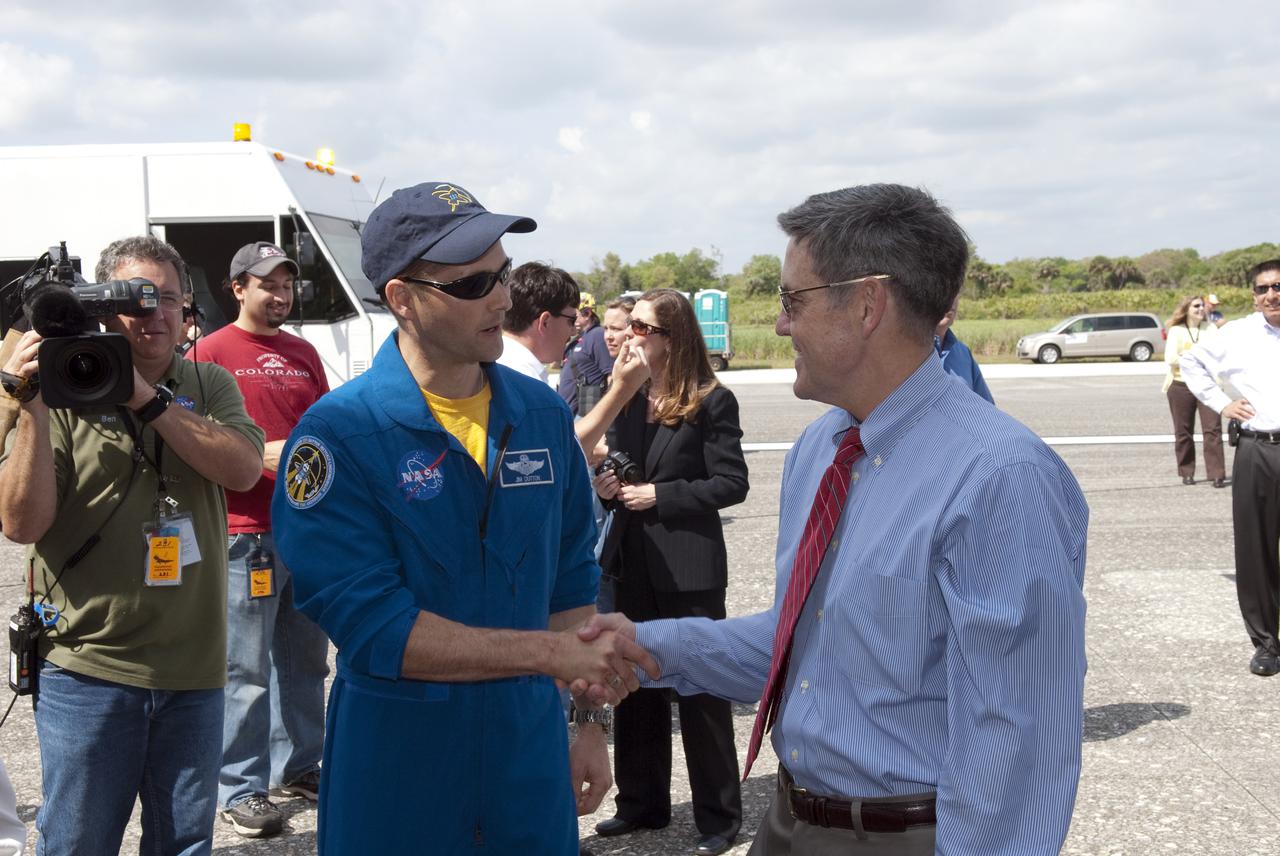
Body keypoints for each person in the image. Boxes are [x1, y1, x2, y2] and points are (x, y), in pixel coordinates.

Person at [578, 184, 1089, 855]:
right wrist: (650, 646)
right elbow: (806, 649)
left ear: (869, 304)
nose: (782, 324)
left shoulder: (998, 477)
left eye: (793, 299)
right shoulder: (820, 450)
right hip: (794, 824)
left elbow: (1017, 740)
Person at [268, 181, 658, 855]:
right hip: (398, 770)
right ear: (402, 299)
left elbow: (569, 583)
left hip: (527, 758)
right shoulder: (339, 435)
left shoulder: (540, 417)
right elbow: (376, 627)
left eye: (502, 274)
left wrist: (585, 719)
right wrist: (549, 654)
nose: (503, 298)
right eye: (473, 283)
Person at [0, 235, 265, 855]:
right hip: (89, 671)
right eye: (137, 300)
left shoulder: (210, 381)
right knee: (77, 842)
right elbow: (21, 524)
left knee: (184, 844)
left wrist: (145, 399)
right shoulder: (58, 390)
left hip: (193, 670)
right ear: (102, 309)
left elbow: (243, 468)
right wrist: (33, 405)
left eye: (168, 299)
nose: (156, 315)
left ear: (187, 308)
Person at [591, 288, 748, 856]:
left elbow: (732, 483)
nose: (626, 334)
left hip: (689, 566)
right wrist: (608, 490)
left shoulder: (712, 399)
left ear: (671, 336)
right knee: (634, 689)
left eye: (639, 326)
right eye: (628, 324)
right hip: (635, 564)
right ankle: (641, 805)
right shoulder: (627, 397)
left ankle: (719, 818)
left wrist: (663, 494)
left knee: (702, 694)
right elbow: (614, 474)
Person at [188, 241, 332, 837]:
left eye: (287, 285)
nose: (280, 295)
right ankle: (241, 787)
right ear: (237, 288)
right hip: (244, 532)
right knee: (243, 668)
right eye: (267, 284)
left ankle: (299, 765)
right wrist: (250, 452)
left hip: (306, 529)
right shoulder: (209, 353)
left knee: (304, 661)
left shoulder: (303, 352)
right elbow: (187, 434)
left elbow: (326, 426)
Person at [1181, 260, 1280, 677]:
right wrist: (1223, 404)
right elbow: (1191, 364)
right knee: (1256, 549)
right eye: (1262, 289)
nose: (1270, 295)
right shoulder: (1237, 334)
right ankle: (1267, 643)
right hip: (1259, 449)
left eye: (1277, 286)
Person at [1162, 295, 1224, 488]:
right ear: (1186, 309)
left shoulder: (1211, 329)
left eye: (1202, 306)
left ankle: (1216, 474)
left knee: (1213, 430)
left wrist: (1188, 357)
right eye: (1195, 306)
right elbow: (1171, 358)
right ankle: (1186, 471)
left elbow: (1218, 355)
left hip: (1208, 385)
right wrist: (1199, 359)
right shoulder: (1176, 331)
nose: (1200, 309)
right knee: (1183, 431)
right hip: (1181, 385)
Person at [497, 262, 581, 384]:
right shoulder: (526, 379)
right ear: (545, 322)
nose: (574, 331)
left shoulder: (493, 364)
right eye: (572, 320)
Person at [933, 296, 993, 403]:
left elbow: (987, 409)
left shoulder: (963, 353)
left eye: (956, 290)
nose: (951, 298)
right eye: (944, 288)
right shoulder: (903, 352)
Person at [559, 295, 614, 415]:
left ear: (588, 314)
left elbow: (611, 376)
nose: (571, 320)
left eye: (574, 317)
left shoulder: (597, 335)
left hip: (584, 413)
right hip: (569, 413)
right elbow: (554, 364)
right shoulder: (579, 338)